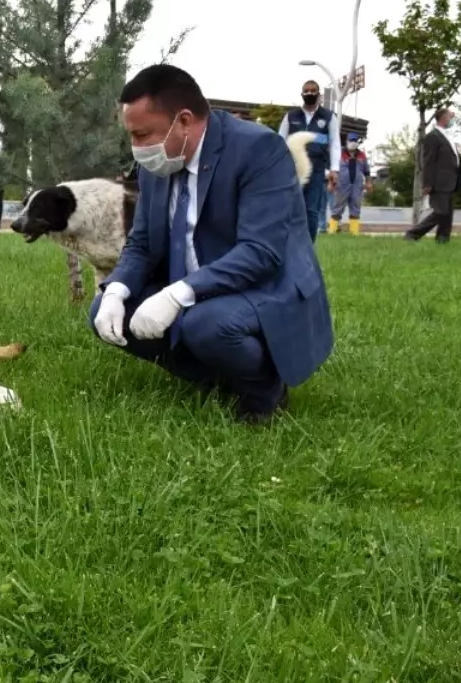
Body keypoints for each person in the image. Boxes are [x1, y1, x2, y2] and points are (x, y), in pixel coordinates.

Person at [91, 64, 334, 424]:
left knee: (207, 324)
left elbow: (260, 253)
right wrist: (116, 290)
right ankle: (216, 378)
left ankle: (265, 389)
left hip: (266, 283)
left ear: (184, 120)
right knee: (105, 312)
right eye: (132, 136)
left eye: (143, 135)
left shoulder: (259, 149)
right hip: (197, 281)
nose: (137, 148)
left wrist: (177, 295)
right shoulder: (156, 164)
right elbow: (141, 244)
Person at [279, 80, 339, 241]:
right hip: (292, 169)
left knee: (312, 210)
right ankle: (289, 243)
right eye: (306, 91)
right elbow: (280, 141)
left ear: (318, 94)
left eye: (313, 91)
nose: (310, 93)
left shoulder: (328, 117)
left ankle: (308, 246)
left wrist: (334, 169)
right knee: (291, 207)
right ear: (301, 94)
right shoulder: (291, 117)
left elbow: (334, 144)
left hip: (317, 169)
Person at [404, 107, 461, 243]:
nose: (452, 119)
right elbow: (429, 161)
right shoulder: (433, 137)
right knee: (440, 212)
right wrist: (427, 183)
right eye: (450, 117)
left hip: (451, 181)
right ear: (444, 118)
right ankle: (412, 234)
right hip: (439, 182)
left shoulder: (447, 137)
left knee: (447, 214)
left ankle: (442, 240)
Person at [328, 132, 372, 235]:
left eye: (355, 141)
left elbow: (367, 171)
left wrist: (369, 183)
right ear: (346, 141)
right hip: (341, 185)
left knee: (355, 208)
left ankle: (354, 232)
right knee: (337, 208)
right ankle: (332, 231)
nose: (353, 143)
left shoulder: (362, 155)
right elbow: (333, 170)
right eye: (351, 140)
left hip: (357, 186)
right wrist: (330, 183)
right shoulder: (339, 153)